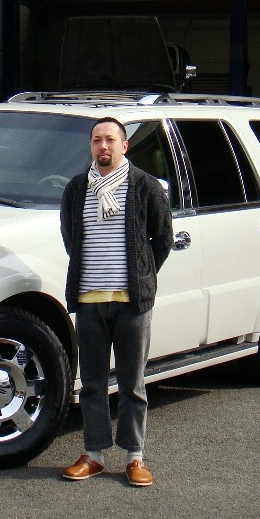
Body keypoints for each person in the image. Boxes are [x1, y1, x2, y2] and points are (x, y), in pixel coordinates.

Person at [59, 117, 174, 487]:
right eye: (96, 140)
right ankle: (93, 455)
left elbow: (163, 239)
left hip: (131, 303)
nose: (103, 146)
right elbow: (70, 238)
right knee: (91, 383)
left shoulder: (145, 187)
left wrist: (142, 276)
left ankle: (135, 457)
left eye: (110, 139)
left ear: (125, 145)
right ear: (90, 146)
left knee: (132, 384)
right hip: (89, 300)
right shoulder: (77, 189)